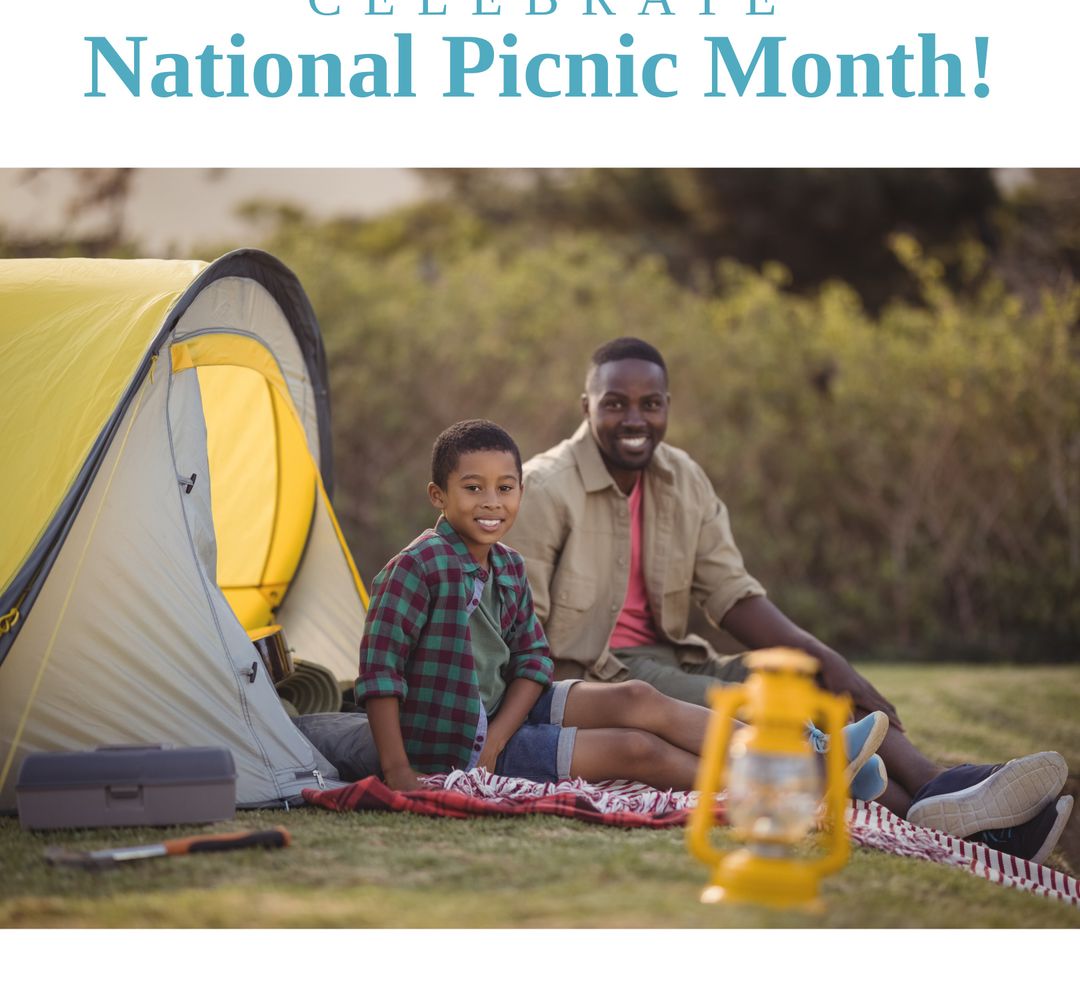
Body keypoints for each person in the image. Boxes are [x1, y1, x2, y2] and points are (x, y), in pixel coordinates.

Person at [507, 337, 1073, 863]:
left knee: (815, 681)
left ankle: (942, 792)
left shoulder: (682, 478)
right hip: (598, 675)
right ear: (586, 406)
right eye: (615, 404)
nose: (634, 419)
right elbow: (521, 628)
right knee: (774, 704)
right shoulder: (546, 488)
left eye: (650, 404)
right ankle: (947, 812)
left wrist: (822, 657)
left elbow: (729, 593)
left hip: (673, 655)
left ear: (668, 406)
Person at [301, 419, 888, 798]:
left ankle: (809, 753)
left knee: (639, 698)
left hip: (501, 717)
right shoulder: (417, 566)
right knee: (638, 751)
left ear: (521, 494)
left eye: (506, 488)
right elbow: (379, 673)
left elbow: (533, 661)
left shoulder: (505, 565)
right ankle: (789, 784)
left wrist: (499, 738)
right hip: (450, 741)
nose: (491, 501)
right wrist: (401, 772)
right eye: (472, 487)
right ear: (439, 496)